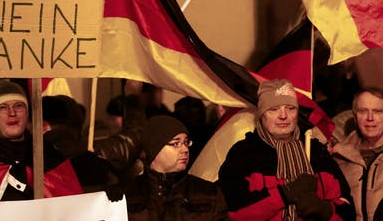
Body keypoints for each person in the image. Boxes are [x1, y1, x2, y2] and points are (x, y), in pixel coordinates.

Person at [218, 79, 354, 221]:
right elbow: (233, 213)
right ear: (261, 115)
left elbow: (347, 209)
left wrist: (326, 211)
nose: (283, 116)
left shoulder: (317, 152)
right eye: (273, 109)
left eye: (290, 108)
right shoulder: (243, 154)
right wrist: (285, 193)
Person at [0, 80, 94, 201]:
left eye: (19, 106)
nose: (12, 113)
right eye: (2, 107)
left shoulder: (49, 155)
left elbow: (72, 208)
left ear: (27, 113)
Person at [124, 115, 228, 220]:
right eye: (175, 143)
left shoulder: (209, 193)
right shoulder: (128, 194)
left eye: (186, 143)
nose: (185, 149)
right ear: (154, 149)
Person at [332, 88, 383, 221]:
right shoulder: (339, 158)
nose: (370, 118)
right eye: (363, 111)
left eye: (377, 111)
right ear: (355, 117)